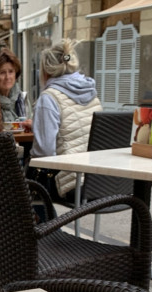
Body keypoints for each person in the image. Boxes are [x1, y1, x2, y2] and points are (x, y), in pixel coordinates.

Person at [29, 39, 101, 198]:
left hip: (72, 184)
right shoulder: (91, 92)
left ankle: (44, 223)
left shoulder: (49, 98)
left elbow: (44, 153)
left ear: (45, 72)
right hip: (100, 181)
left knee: (26, 178)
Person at [0, 49, 31, 128]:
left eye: (11, 71)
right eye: (2, 72)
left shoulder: (23, 99)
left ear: (16, 74)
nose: (7, 77)